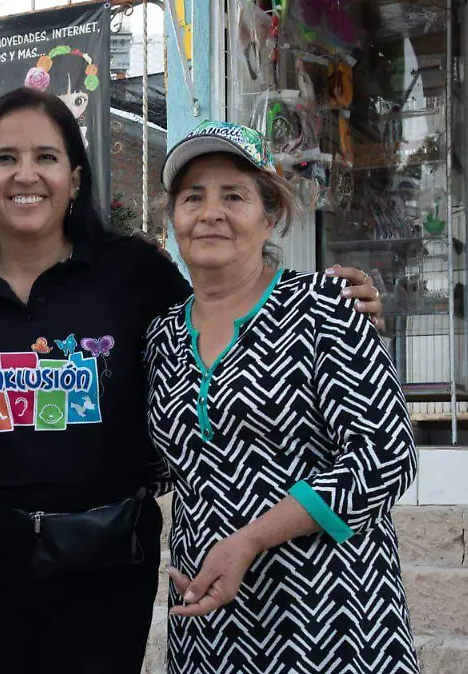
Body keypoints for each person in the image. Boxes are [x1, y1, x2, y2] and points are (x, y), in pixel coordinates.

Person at [0, 90, 384, 674]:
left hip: (124, 566)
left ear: (75, 178)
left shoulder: (136, 274)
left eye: (46, 156)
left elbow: (377, 450)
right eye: (5, 158)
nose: (27, 175)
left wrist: (357, 316)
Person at [143, 120, 419, 673]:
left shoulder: (327, 305)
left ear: (270, 215)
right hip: (210, 625)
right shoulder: (162, 336)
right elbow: (162, 467)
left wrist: (252, 538)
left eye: (234, 195)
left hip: (332, 618)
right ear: (173, 218)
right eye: (193, 197)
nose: (211, 212)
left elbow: (386, 457)